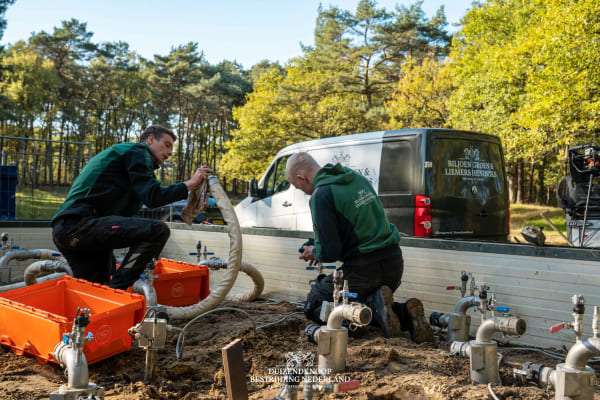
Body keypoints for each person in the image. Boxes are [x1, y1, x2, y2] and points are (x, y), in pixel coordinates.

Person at [286, 152, 433, 342]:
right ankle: (404, 314)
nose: (303, 191)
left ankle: (373, 308)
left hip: (364, 271)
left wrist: (314, 252)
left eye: (299, 187)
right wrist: (317, 243)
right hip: (394, 264)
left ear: (301, 177)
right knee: (358, 296)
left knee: (315, 303)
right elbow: (355, 228)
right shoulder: (354, 178)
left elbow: (330, 253)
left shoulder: (321, 194)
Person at [51, 125, 209, 289]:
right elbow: (154, 197)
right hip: (79, 224)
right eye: (167, 145)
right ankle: (117, 291)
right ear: (150, 140)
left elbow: (149, 197)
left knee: (95, 291)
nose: (169, 152)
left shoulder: (129, 163)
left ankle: (110, 295)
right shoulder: (137, 151)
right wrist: (190, 184)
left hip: (68, 231)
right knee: (157, 231)